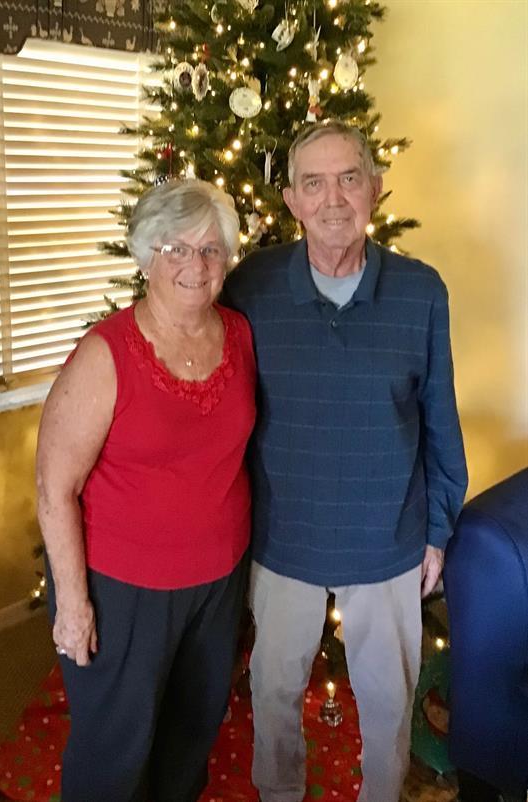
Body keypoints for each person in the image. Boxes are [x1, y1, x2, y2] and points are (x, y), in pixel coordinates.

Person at [223, 120, 468, 802]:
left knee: (389, 705)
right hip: (283, 540)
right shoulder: (250, 286)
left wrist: (438, 531)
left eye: (348, 178)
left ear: (376, 190)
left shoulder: (421, 292)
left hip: (388, 541)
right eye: (313, 183)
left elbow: (439, 420)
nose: (333, 198)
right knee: (272, 696)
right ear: (291, 202)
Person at [36, 179, 256, 802]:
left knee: (191, 733)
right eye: (176, 249)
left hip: (217, 583)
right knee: (115, 748)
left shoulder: (239, 334)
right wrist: (74, 607)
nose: (195, 265)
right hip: (122, 589)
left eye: (211, 250)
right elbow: (55, 487)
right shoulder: (107, 355)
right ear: (146, 255)